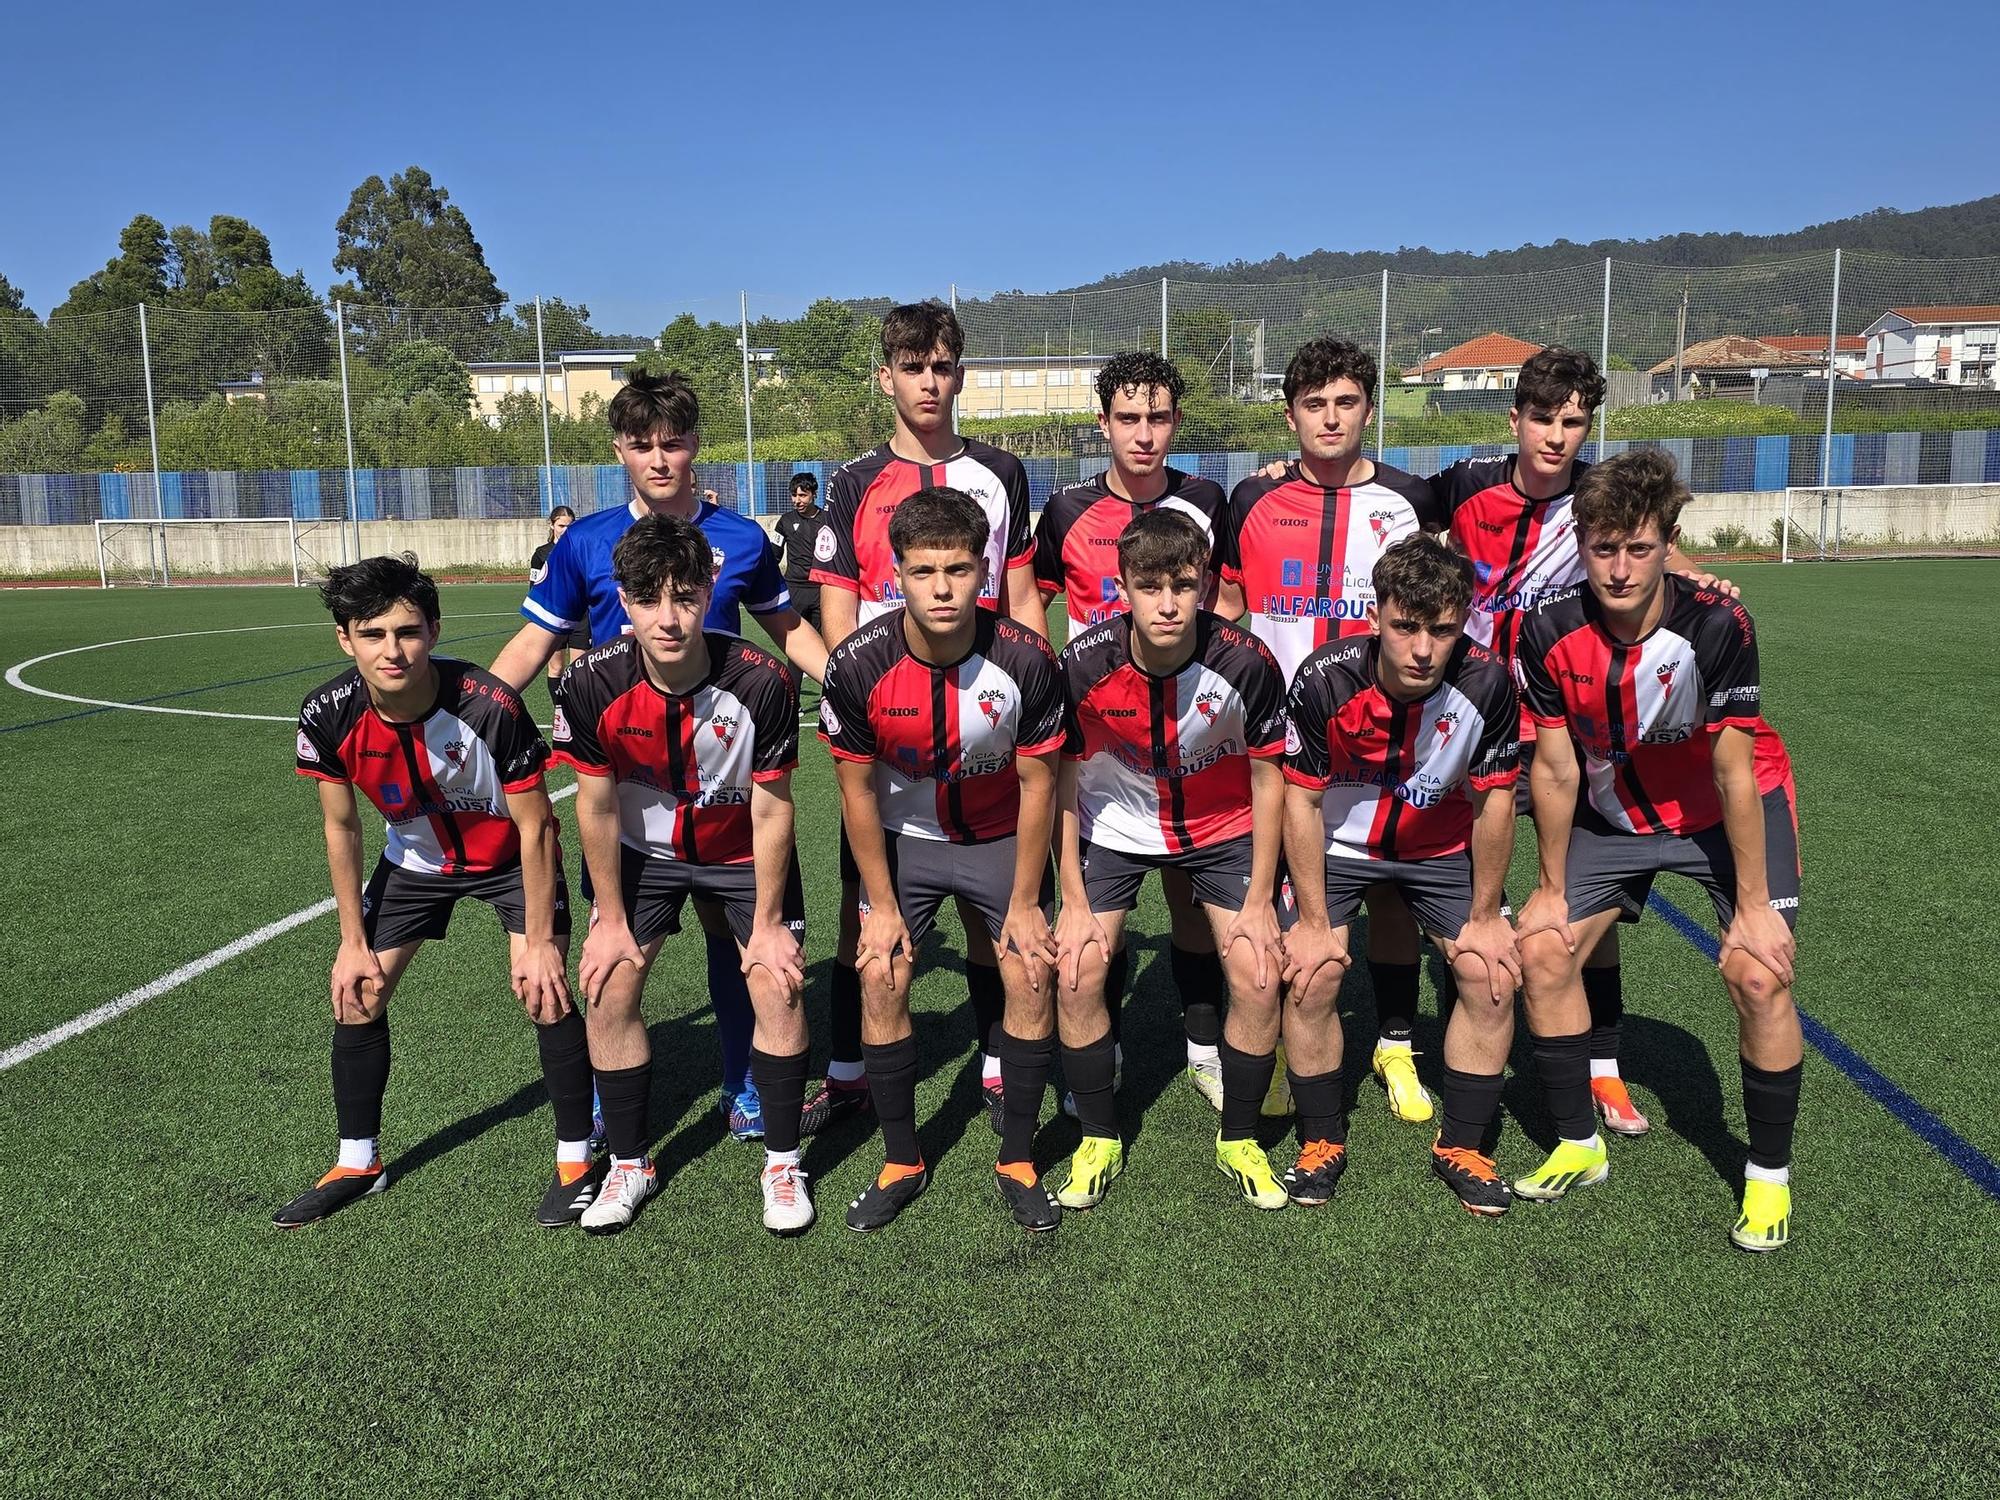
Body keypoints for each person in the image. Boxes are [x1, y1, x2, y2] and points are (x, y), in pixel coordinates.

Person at [489, 370, 828, 1143]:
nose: (659, 459)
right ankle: (615, 1095)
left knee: (732, 937)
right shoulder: (584, 541)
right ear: (619, 450)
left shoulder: (740, 537)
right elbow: (536, 641)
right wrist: (472, 712)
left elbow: (787, 630)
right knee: (614, 950)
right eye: (642, 445)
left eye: (673, 443)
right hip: (627, 778)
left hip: (720, 777)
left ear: (696, 445)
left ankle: (743, 1086)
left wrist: (849, 679)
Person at [1428, 347, 1727, 1137]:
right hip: (1478, 720)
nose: (1558, 437)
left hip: (1574, 728)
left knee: (1585, 910)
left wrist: (1708, 584)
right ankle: (1457, 1030)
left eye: (1574, 422)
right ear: (1514, 419)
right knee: (1464, 891)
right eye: (1544, 419)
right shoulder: (1464, 485)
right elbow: (1388, 500)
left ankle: (1602, 1069)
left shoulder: (1598, 500)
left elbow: (1657, 549)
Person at [1511, 449, 1802, 1251]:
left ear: (1668, 543)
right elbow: (1558, 766)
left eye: (1639, 548)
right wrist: (1547, 886)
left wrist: (1749, 909)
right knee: (1542, 948)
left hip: (1723, 812)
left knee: (1757, 971)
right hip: (1615, 813)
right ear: (1580, 545)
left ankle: (1769, 1179)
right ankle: (1577, 1141)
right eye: (1603, 548)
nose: (1620, 567)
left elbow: (1732, 771)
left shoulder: (1717, 621)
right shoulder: (1546, 630)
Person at [277, 554, 592, 1230]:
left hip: (510, 861)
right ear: (345, 639)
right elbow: (342, 832)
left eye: (407, 632)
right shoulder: (326, 715)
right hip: (414, 865)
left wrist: (539, 943)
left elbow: (538, 830)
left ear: (434, 630)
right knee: (357, 994)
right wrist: (351, 943)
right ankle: (359, 1162)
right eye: (372, 634)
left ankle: (576, 1158)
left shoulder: (490, 704)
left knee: (543, 989)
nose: (392, 650)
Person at [802, 300, 1046, 1140]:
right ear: (887, 378)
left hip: (987, 721)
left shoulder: (1004, 471)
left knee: (995, 910)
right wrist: (857, 704)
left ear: (960, 375)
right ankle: (845, 1068)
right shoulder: (853, 479)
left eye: (943, 366)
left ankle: (993, 1055)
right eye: (913, 367)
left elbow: (1019, 599)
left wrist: (1036, 692)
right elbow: (839, 611)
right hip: (889, 726)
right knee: (860, 913)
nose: (929, 382)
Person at [555, 514, 813, 1236]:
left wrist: (765, 928)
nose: (668, 619)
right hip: (647, 856)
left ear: (709, 592)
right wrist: (608, 920)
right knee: (607, 986)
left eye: (685, 597)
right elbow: (597, 811)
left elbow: (771, 813)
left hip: (740, 854)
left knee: (778, 984)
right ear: (624, 600)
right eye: (648, 599)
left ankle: (784, 1164)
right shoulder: (589, 684)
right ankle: (631, 1165)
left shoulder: (762, 682)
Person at [1214, 336, 1449, 1130]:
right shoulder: (1248, 499)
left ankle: (1393, 1043)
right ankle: (1280, 1045)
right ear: (1290, 415)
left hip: (1388, 736)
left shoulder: (1414, 500)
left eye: (1346, 402)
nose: (1330, 418)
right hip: (1281, 745)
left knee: (1391, 898)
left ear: (1369, 410)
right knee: (1280, 897)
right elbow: (1225, 606)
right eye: (1313, 404)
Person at [818, 488, 1065, 1233]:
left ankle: (1017, 1158)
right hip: (906, 844)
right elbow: (855, 794)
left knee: (1030, 966)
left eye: (959, 570)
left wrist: (1025, 902)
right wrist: (882, 903)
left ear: (984, 570)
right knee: (881, 968)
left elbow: (1039, 785)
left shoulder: (1026, 659)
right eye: (924, 572)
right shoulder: (858, 664)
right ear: (896, 575)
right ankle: (902, 1158)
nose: (942, 588)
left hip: (996, 840)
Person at [1280, 536, 1526, 1214]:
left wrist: (1484, 918)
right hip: (1337, 848)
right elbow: (1299, 801)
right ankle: (1321, 1140)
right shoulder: (1324, 678)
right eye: (1405, 627)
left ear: (1463, 623)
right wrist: (1307, 921)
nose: (1423, 648)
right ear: (1376, 614)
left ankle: (1464, 1147)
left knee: (1490, 972)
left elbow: (1495, 799)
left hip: (1439, 853)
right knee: (1314, 971)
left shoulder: (1488, 682)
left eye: (1442, 630)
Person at [1052, 510, 1289, 1212]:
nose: (1165, 603)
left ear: (1206, 587)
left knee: (1256, 970)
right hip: (1116, 824)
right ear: (1119, 587)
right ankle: (1098, 1136)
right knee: (1077, 968)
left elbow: (1270, 779)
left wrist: (1259, 900)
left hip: (1221, 828)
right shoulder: (1084, 663)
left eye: (1182, 586)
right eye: (1148, 585)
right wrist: (1068, 893)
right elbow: (1061, 779)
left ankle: (1240, 1139)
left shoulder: (1246, 662)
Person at [1032, 351, 1233, 1113]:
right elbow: (1033, 601)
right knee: (1093, 917)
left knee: (1189, 902)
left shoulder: (1211, 498)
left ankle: (1204, 1047)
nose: (1143, 434)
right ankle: (1104, 1047)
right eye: (1128, 418)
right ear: (1103, 422)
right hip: (1102, 745)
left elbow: (1234, 599)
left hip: (1191, 735)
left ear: (1176, 421)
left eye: (1157, 418)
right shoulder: (1067, 510)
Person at [527, 505, 587, 707]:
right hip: (553, 616)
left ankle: (579, 710)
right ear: (552, 525)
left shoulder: (580, 549)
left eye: (570, 526)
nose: (565, 529)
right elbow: (534, 586)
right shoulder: (541, 554)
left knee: (580, 668)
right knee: (556, 668)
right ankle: (561, 708)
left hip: (581, 617)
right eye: (561, 525)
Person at [772, 473, 828, 635]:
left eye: (803, 495)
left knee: (823, 639)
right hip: (794, 588)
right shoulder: (785, 521)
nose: (797, 500)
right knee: (797, 639)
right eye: (794, 495)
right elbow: (775, 552)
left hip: (821, 589)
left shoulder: (828, 520)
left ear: (814, 495)